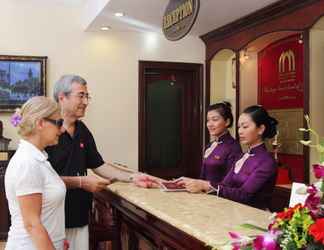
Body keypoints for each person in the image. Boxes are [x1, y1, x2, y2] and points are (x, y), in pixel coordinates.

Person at [45, 74, 158, 250]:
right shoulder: (48, 131)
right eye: (80, 95)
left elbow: (99, 165)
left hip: (79, 216)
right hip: (52, 217)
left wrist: (132, 177)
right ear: (62, 97)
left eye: (87, 96)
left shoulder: (83, 131)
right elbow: (42, 180)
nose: (85, 101)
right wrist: (82, 182)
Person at [5, 96, 67, 250]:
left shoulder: (38, 158)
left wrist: (59, 239)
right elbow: (32, 225)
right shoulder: (27, 163)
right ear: (40, 123)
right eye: (59, 123)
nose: (63, 129)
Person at [210, 105, 278, 209]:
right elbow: (225, 185)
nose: (240, 131)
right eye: (239, 127)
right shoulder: (243, 156)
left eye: (245, 127)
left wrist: (208, 187)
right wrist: (202, 185)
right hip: (236, 211)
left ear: (261, 129)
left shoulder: (267, 161)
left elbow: (244, 195)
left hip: (255, 217)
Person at [177, 102, 242, 193]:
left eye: (214, 120)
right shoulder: (210, 146)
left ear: (227, 122)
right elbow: (202, 177)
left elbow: (230, 183)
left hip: (221, 198)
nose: (210, 124)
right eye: (208, 120)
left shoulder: (233, 147)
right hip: (204, 195)